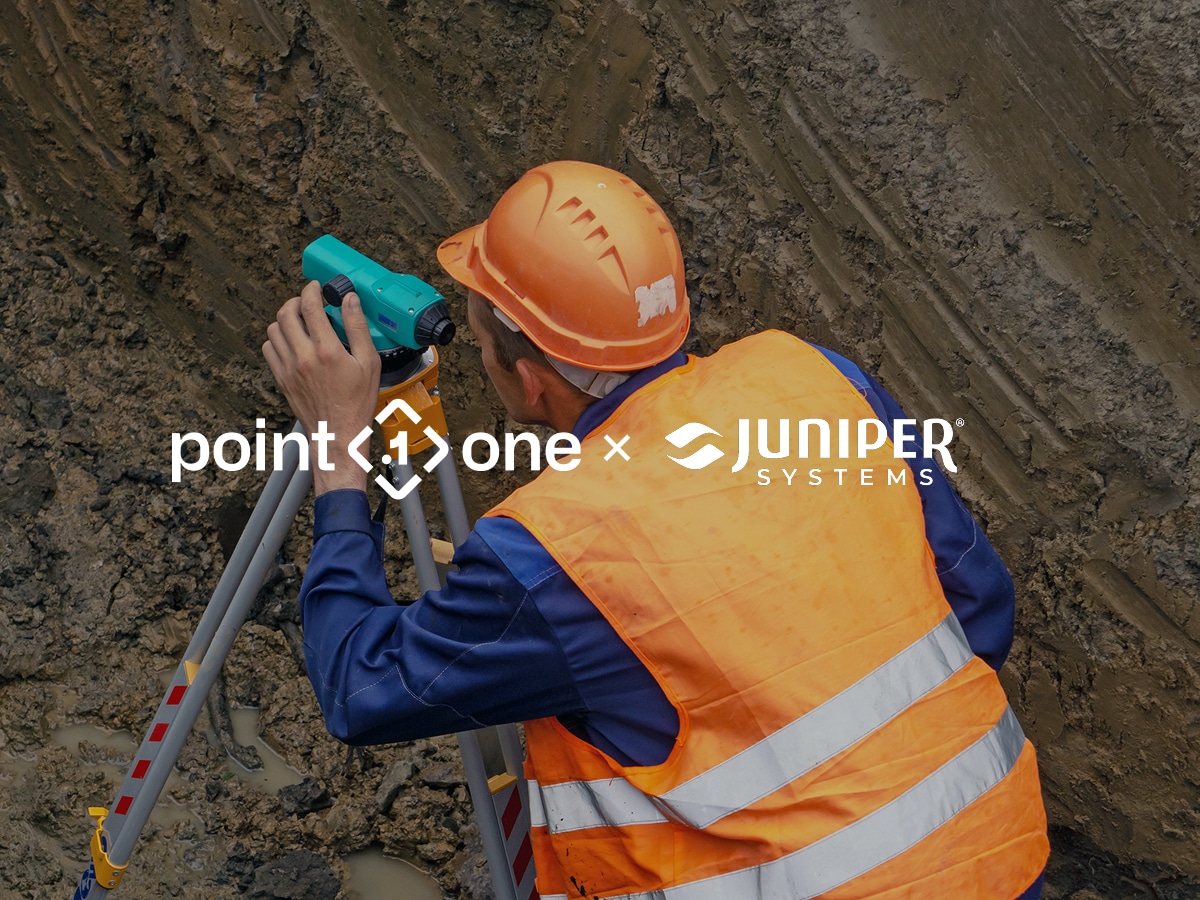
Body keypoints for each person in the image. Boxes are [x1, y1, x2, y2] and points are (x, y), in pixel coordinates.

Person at [264, 161, 1049, 898]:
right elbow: (978, 604)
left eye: (477, 339)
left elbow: (360, 690)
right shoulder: (817, 379)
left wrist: (339, 450)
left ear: (526, 375)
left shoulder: (559, 551)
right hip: (1000, 851)